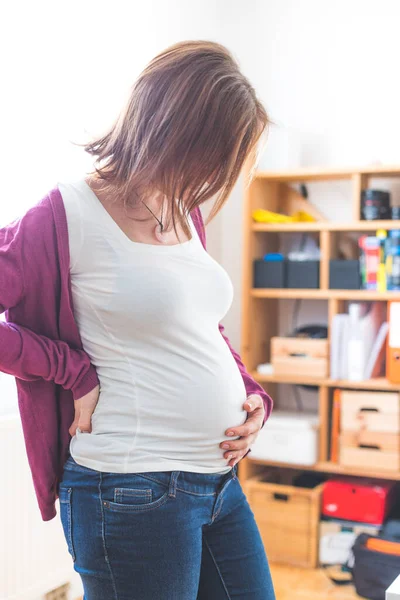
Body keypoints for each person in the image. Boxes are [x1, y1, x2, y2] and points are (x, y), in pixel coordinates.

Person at [0, 40, 275, 599]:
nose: (214, 173)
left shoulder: (182, 208)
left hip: (217, 483)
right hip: (129, 490)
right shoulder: (63, 213)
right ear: (173, 128)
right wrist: (72, 370)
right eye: (214, 153)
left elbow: (200, 327)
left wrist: (250, 396)